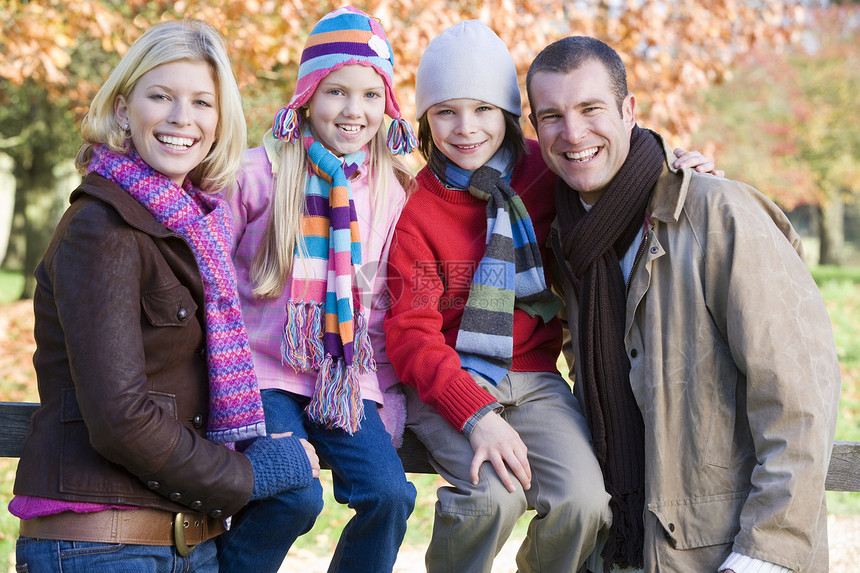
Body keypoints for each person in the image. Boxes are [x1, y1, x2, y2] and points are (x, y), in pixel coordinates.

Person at [383, 21, 718, 573]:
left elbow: (613, 164)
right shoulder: (417, 210)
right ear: (424, 120)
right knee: (492, 496)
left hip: (535, 380)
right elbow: (410, 334)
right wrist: (476, 414)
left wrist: (677, 169)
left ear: (511, 116)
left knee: (585, 503)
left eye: (484, 109)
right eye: (445, 112)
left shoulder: (547, 172)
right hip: (450, 381)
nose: (466, 129)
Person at [9, 19, 320, 573]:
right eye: (162, 97)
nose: (183, 118)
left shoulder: (191, 229)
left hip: (185, 544)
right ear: (125, 109)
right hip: (102, 548)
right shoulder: (101, 229)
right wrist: (251, 476)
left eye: (203, 102)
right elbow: (121, 416)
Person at [526, 35, 842, 573]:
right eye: (551, 115)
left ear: (629, 112)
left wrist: (766, 554)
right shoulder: (566, 242)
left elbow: (799, 397)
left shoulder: (719, 215)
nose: (573, 133)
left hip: (728, 551)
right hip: (624, 546)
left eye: (590, 108)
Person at [215, 7, 418, 573]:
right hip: (263, 374)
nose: (355, 111)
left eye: (371, 95)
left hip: (343, 379)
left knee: (391, 494)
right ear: (307, 94)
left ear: (388, 105)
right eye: (336, 92)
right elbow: (207, 280)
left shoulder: (391, 190)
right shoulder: (257, 174)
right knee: (294, 493)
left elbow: (379, 305)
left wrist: (386, 393)